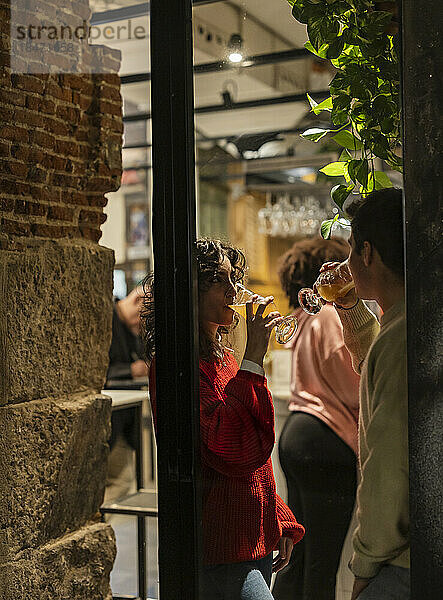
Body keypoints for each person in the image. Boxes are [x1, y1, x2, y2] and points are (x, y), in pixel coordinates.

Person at [141, 239, 305, 600]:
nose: (236, 291)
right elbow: (230, 447)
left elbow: (255, 459)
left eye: (235, 280)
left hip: (251, 538)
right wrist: (256, 355)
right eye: (223, 281)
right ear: (190, 291)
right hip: (221, 545)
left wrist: (278, 519)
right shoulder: (175, 367)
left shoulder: (222, 357)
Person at [326, 188, 409, 599]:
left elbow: (387, 467)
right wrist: (348, 304)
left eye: (350, 253)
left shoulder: (401, 340)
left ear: (369, 253)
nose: (346, 265)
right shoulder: (405, 323)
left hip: (405, 559)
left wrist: (364, 566)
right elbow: (373, 353)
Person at [272, 237, 360, 600]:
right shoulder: (329, 316)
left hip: (297, 433)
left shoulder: (307, 318)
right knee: (321, 562)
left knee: (298, 554)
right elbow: (354, 388)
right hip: (325, 440)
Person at [105, 287, 148, 500]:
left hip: (121, 421)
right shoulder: (106, 319)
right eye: (143, 316)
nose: (142, 325)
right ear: (136, 300)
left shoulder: (127, 328)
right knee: (121, 481)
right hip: (110, 419)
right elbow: (94, 372)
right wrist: (131, 370)